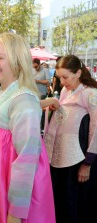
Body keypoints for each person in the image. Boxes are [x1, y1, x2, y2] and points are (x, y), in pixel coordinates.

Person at [0, 32, 56, 223]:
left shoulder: (23, 100)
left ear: (17, 61)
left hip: (13, 195)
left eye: (0, 57)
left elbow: (27, 160)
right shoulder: (5, 92)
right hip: (0, 183)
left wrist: (15, 213)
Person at [44, 55, 97, 223]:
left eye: (65, 77)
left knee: (76, 200)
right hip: (61, 155)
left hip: (79, 156)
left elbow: (96, 129)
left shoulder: (91, 93)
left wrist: (87, 163)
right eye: (60, 77)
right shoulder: (67, 91)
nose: (62, 82)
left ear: (79, 73)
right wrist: (58, 107)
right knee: (62, 198)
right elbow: (66, 117)